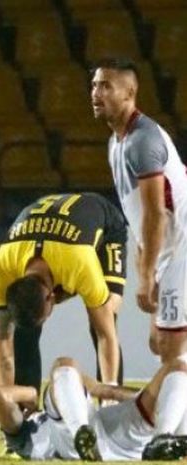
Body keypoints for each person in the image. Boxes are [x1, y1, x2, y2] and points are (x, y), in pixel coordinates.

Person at [91, 58, 187, 363]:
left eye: (106, 85)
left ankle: (173, 412)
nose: (96, 92)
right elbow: (138, 215)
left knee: (171, 347)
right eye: (94, 84)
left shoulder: (143, 141)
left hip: (182, 250)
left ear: (129, 92)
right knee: (158, 343)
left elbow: (156, 212)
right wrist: (146, 264)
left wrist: (146, 276)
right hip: (168, 251)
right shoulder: (115, 143)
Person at [0, 193, 127, 393]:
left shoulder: (79, 263)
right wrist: (8, 398)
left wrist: (111, 392)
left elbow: (106, 336)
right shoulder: (2, 269)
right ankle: (27, 408)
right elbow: (1, 341)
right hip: (51, 230)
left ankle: (111, 404)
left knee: (105, 317)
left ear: (52, 296)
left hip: (106, 227)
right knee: (25, 330)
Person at [0, 356, 187, 461]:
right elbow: (0, 396)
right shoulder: (22, 438)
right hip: (68, 439)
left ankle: (163, 441)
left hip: (108, 432)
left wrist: (145, 397)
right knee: (63, 364)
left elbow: (101, 389)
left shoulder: (62, 405)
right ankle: (81, 435)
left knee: (178, 367)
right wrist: (31, 395)